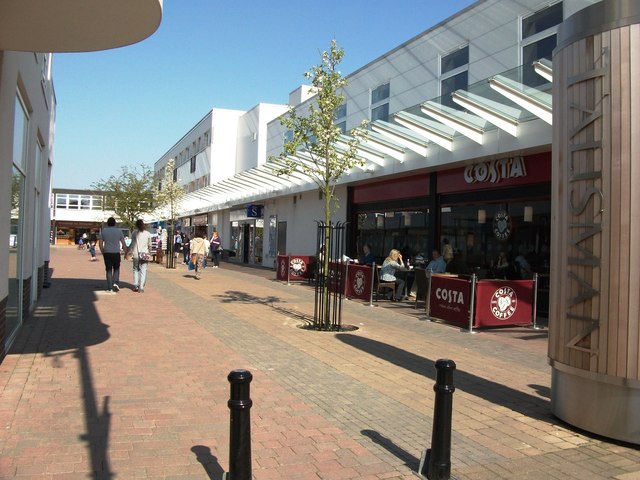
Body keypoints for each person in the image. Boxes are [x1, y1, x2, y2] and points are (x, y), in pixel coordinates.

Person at [98, 217, 128, 292]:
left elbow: (100, 243)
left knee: (108, 270)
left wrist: (102, 251)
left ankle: (110, 287)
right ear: (115, 223)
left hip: (107, 252)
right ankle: (115, 283)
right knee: (116, 269)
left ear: (107, 223)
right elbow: (123, 243)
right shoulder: (119, 231)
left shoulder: (104, 231)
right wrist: (126, 252)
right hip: (116, 252)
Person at [130, 219, 152, 293]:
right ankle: (141, 287)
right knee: (143, 270)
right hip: (145, 254)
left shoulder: (134, 233)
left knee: (135, 269)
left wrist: (128, 252)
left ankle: (136, 285)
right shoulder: (148, 233)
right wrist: (150, 253)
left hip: (136, 253)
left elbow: (132, 244)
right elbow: (150, 245)